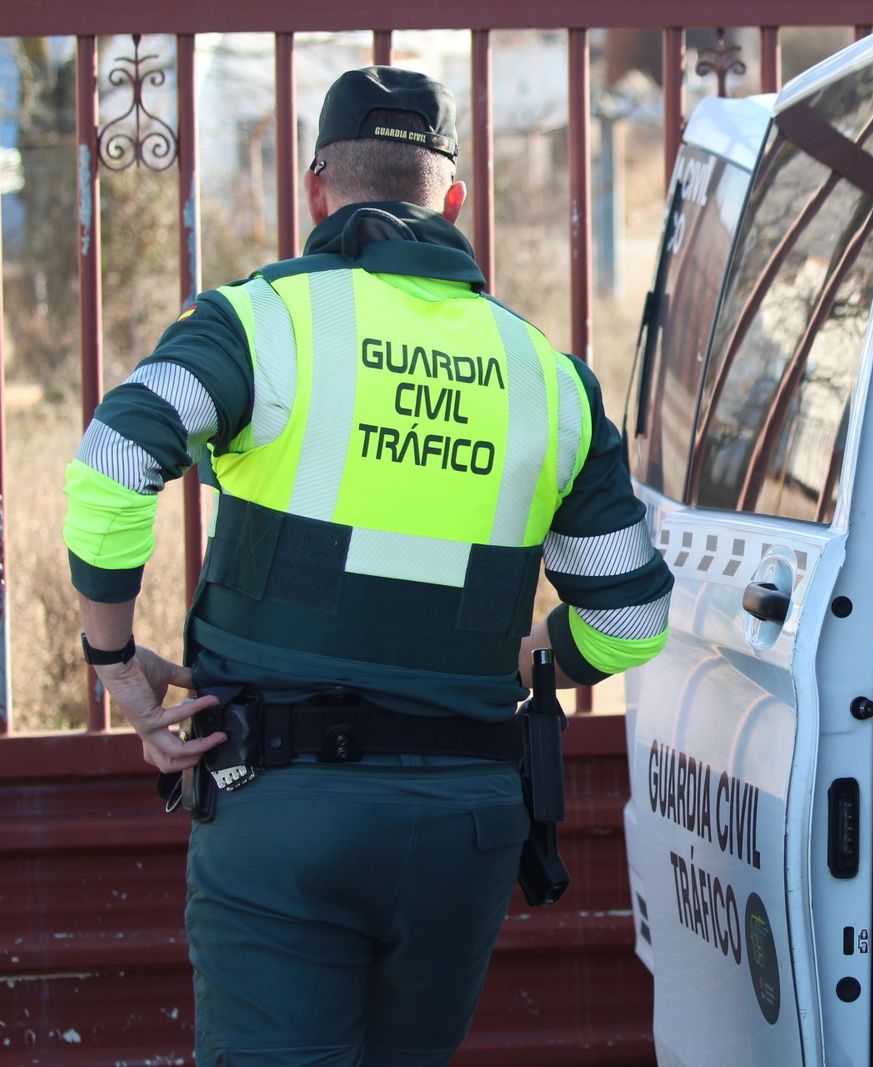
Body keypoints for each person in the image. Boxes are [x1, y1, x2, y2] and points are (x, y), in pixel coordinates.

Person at [63, 66, 672, 1066]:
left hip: (283, 810)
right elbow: (631, 621)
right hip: (465, 827)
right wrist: (534, 658)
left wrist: (115, 660)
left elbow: (115, 466)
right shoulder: (551, 380)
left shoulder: (257, 323)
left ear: (316, 188)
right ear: (454, 200)